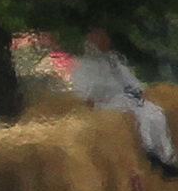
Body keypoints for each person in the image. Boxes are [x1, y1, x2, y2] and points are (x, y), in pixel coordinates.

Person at [74, 28, 178, 176]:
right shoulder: (85, 66)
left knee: (155, 112)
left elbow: (131, 81)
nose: (105, 43)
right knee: (139, 116)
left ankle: (166, 157)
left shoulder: (114, 60)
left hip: (128, 98)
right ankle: (149, 151)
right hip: (108, 103)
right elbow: (86, 94)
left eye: (105, 39)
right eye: (100, 40)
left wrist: (136, 90)